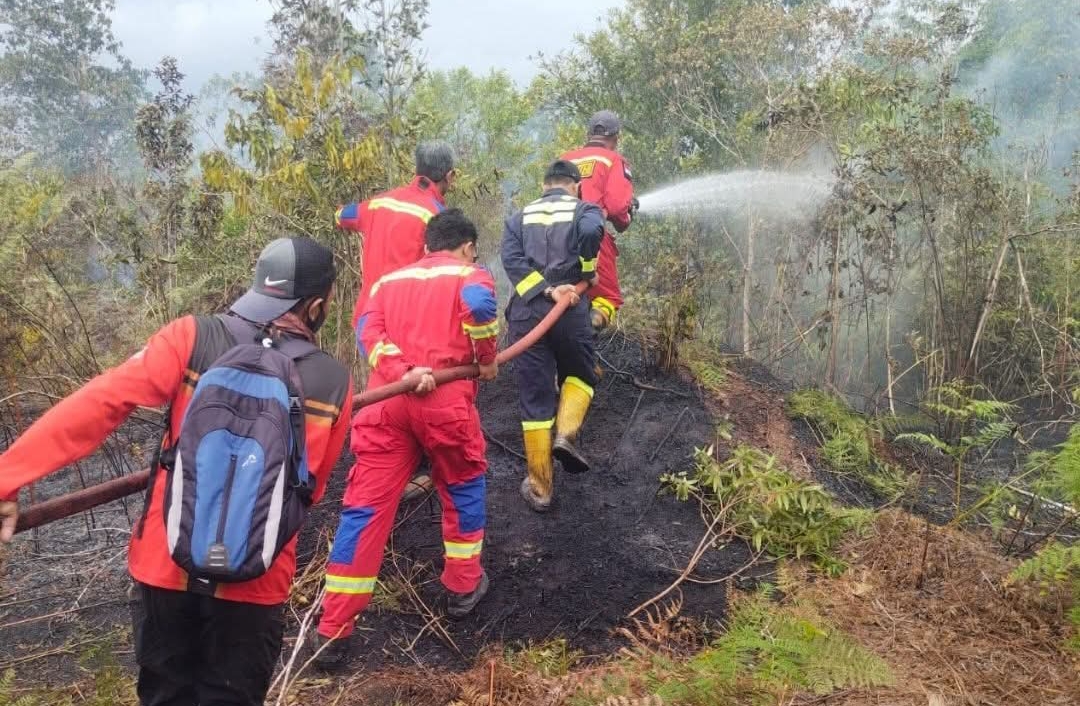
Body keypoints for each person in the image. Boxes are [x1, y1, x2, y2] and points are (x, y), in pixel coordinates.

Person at [0, 237, 353, 705]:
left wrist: (8, 478)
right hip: (256, 581)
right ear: (315, 306)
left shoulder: (191, 337)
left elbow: (101, 403)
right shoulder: (335, 382)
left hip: (165, 564)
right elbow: (310, 488)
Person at [315, 208, 499, 668]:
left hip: (385, 402)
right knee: (462, 484)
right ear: (468, 245)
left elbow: (367, 332)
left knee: (365, 508)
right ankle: (461, 587)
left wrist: (401, 371)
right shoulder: (471, 273)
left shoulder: (387, 283)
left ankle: (333, 628)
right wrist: (486, 355)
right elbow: (479, 307)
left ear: (427, 245)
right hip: (444, 402)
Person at [501, 160, 605, 512]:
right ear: (575, 186)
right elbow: (592, 232)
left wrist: (546, 292)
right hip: (572, 309)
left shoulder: (519, 218)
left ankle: (541, 487)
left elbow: (513, 263)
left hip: (528, 314)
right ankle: (566, 434)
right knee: (581, 375)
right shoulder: (584, 208)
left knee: (535, 398)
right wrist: (587, 271)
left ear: (544, 185)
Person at [335, 140, 456, 334]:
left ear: (417, 171)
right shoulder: (438, 217)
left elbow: (343, 216)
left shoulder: (380, 202)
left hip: (368, 322)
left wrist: (339, 213)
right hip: (404, 326)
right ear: (450, 176)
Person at [561, 110, 639, 331]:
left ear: (589, 135)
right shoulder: (614, 160)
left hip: (553, 238)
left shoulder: (565, 158)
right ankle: (586, 338)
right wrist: (627, 215)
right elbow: (616, 207)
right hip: (593, 238)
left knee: (564, 294)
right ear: (615, 138)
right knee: (607, 298)